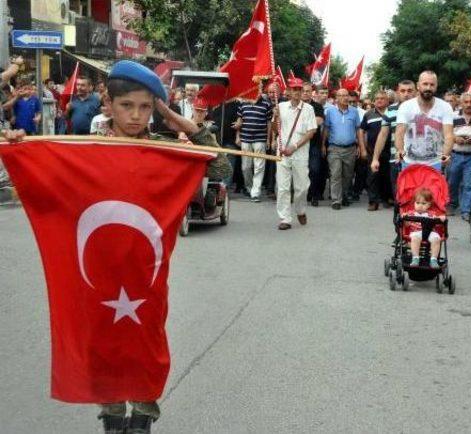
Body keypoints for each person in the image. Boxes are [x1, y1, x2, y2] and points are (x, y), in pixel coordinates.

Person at [1, 60, 230, 434]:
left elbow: (219, 168)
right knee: (102, 342)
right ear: (108, 103)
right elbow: (39, 177)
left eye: (145, 107)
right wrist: (20, 147)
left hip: (145, 275)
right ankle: (110, 414)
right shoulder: (86, 147)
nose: (136, 116)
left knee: (144, 344)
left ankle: (142, 417)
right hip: (96, 273)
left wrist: (173, 118)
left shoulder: (163, 150)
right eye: (127, 106)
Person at [273, 78, 317, 230]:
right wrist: (275, 117)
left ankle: (300, 210)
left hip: (300, 152)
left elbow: (311, 132)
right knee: (283, 187)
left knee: (302, 187)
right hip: (283, 152)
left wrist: (295, 146)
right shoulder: (281, 106)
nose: (297, 92)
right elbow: (274, 129)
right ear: (289, 91)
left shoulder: (308, 109)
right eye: (294, 89)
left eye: (299, 89)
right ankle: (285, 218)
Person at [396, 71, 454, 171]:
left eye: (432, 85)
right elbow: (399, 133)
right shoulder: (405, 107)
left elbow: (449, 135)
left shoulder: (445, 107)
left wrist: (446, 154)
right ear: (418, 86)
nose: (428, 88)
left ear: (436, 86)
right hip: (409, 163)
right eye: (425, 84)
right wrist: (400, 150)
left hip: (435, 163)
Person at [370, 79, 416, 201]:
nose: (406, 94)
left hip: (417, 160)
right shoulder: (390, 110)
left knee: (416, 197)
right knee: (398, 195)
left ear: (415, 92)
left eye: (410, 91)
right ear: (397, 92)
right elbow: (383, 135)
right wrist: (375, 159)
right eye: (403, 91)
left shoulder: (422, 109)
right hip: (396, 160)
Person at [322, 88, 360, 210]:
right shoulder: (330, 112)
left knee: (348, 175)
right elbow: (326, 129)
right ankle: (336, 200)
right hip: (334, 148)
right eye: (341, 95)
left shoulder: (354, 112)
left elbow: (358, 130)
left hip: (350, 148)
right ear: (336, 98)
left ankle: (344, 195)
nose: (344, 97)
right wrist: (323, 144)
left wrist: (359, 146)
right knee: (335, 173)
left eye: (346, 95)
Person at [236, 86, 273, 202]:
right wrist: (237, 136)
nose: (258, 92)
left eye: (259, 89)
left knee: (259, 167)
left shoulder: (266, 104)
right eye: (256, 89)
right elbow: (239, 121)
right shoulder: (243, 104)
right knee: (245, 167)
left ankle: (255, 192)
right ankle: (249, 187)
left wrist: (268, 139)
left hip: (260, 139)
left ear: (261, 91)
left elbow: (269, 123)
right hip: (245, 138)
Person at [448, 92, 471, 221]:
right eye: (465, 102)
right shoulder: (453, 116)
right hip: (456, 154)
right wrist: (456, 138)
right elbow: (447, 133)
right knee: (452, 182)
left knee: (469, 184)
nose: (468, 105)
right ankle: (452, 204)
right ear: (461, 103)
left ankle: (466, 210)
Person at [358, 90, 391, 211]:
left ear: (387, 101)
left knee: (388, 176)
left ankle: (387, 198)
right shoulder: (368, 114)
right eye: (377, 98)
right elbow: (361, 131)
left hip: (389, 150)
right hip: (373, 150)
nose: (379, 100)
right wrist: (362, 148)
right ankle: (373, 201)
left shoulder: (392, 112)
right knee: (372, 176)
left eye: (382, 98)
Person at [403, 188, 446, 268]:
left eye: (423, 203)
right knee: (415, 238)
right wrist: (405, 218)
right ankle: (415, 257)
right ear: (414, 203)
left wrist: (441, 218)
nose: (420, 205)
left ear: (429, 205)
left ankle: (433, 259)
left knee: (437, 239)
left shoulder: (432, 214)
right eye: (417, 203)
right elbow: (407, 225)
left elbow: (438, 224)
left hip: (430, 232)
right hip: (416, 232)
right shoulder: (411, 214)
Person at [301, 82, 325, 207]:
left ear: (312, 93)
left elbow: (319, 121)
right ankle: (302, 194)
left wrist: (301, 124)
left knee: (314, 170)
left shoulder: (317, 106)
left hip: (313, 143)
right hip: (299, 144)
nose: (305, 93)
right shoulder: (296, 106)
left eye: (308, 91)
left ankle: (314, 195)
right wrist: (310, 123)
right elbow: (313, 123)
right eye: (303, 91)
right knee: (300, 170)